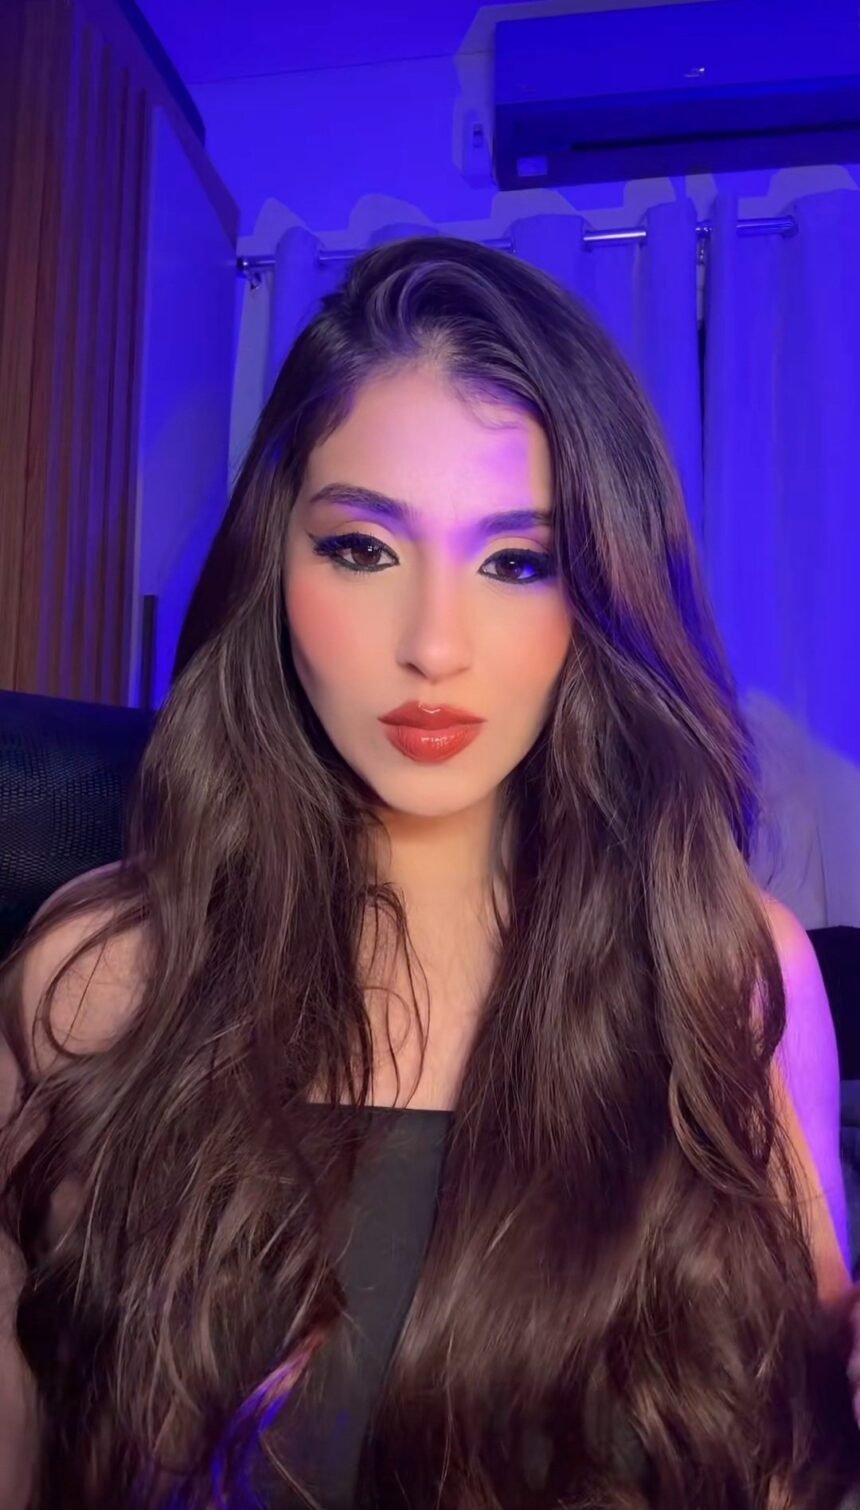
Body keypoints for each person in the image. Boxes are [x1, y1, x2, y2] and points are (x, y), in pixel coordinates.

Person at [1, 234, 858, 1509]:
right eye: (363, 548)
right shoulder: (97, 978)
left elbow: (791, 1457)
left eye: (515, 561)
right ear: (273, 563)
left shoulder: (722, 967)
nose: (435, 646)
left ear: (599, 594)